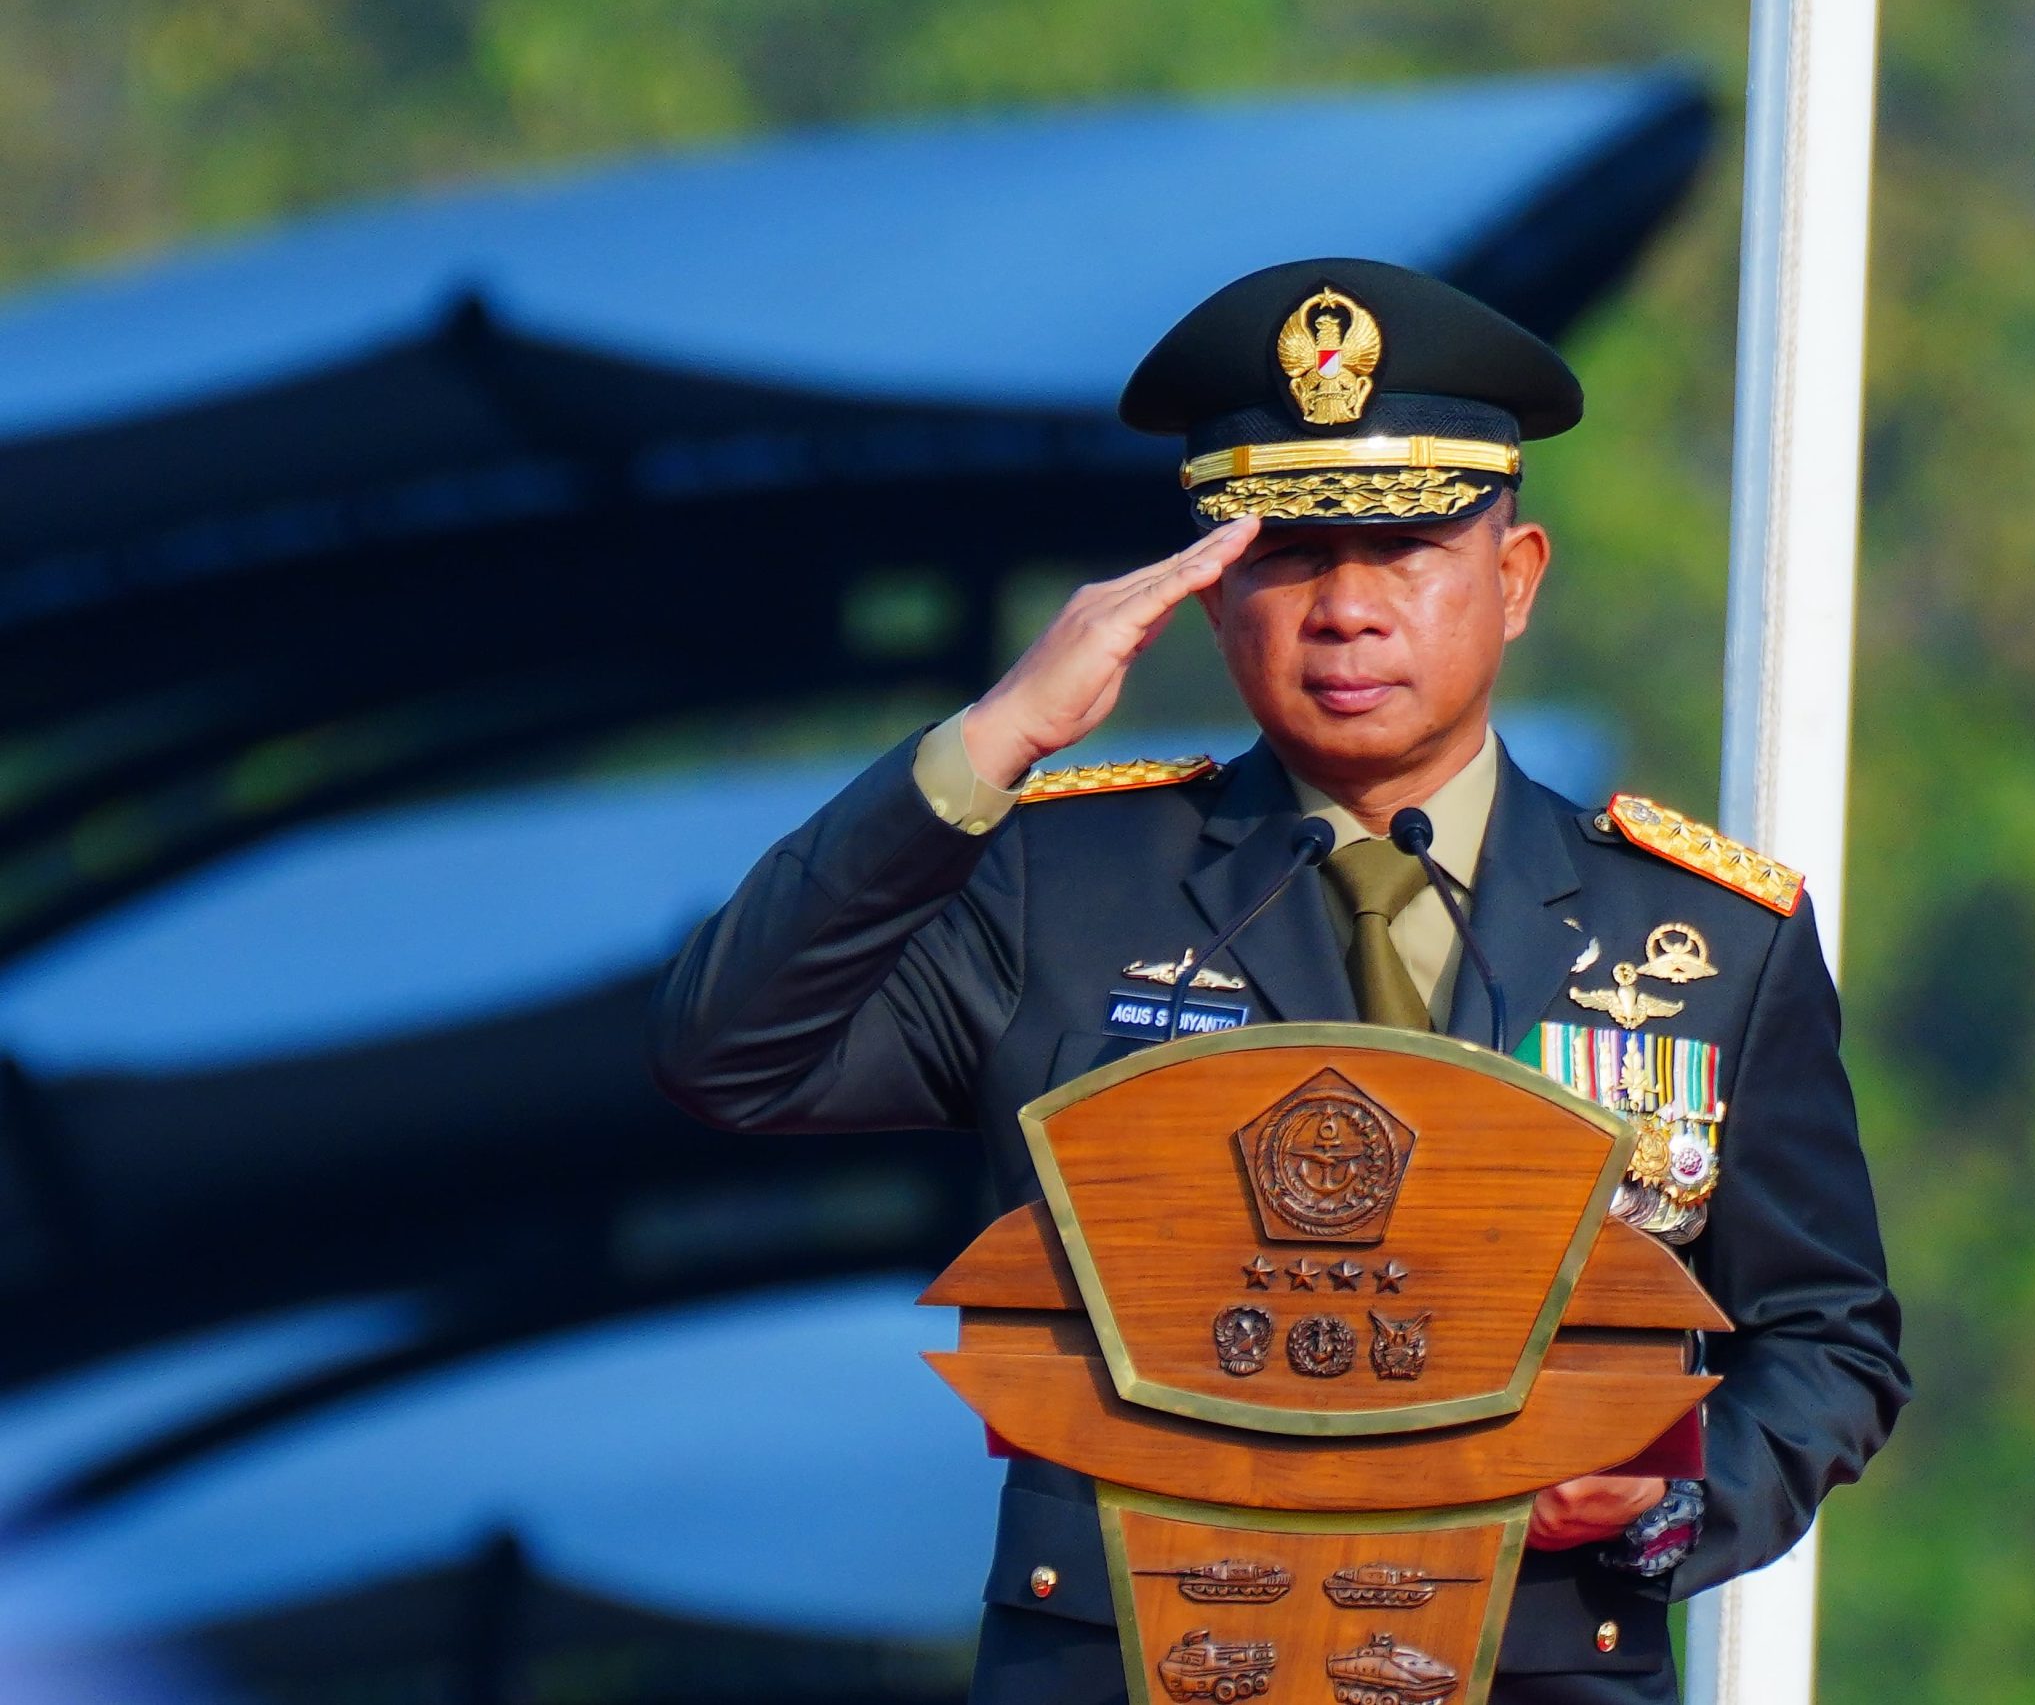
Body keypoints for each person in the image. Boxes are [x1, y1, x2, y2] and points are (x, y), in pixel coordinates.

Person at [649, 257, 1907, 1705]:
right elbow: (725, 1050)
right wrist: (993, 740)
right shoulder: (1059, 887)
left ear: (1514, 578)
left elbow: (1829, 1337)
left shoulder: (1704, 936)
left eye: (1406, 550)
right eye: (1292, 555)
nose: (1347, 610)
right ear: (1210, 593)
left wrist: (1669, 1502)